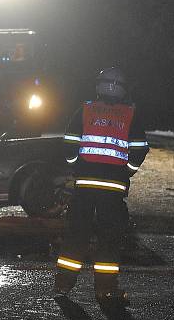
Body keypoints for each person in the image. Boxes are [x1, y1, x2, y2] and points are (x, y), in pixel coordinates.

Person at [54, 67, 150, 305]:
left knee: (77, 234)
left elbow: (69, 145)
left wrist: (77, 167)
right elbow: (139, 150)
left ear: (98, 86)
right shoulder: (131, 115)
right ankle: (105, 290)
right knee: (109, 238)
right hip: (113, 189)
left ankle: (63, 285)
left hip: (84, 187)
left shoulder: (84, 110)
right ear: (123, 90)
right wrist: (126, 171)